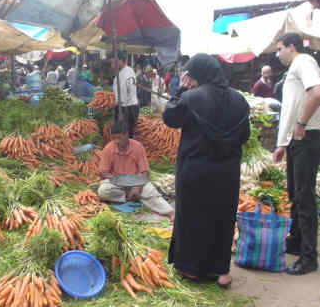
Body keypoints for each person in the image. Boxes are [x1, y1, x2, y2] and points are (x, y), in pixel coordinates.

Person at [163, 54, 250, 287]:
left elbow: (170, 117)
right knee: (222, 218)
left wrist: (180, 90)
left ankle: (191, 269)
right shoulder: (240, 100)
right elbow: (245, 136)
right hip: (227, 172)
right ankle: (221, 272)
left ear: (198, 74)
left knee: (192, 215)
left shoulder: (192, 97)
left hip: (196, 169)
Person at [273, 33, 320, 275]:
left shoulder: (304, 62)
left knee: (304, 196)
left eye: (279, 49)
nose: (277, 54)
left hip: (307, 136)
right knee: (295, 192)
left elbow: (317, 93)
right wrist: (283, 142)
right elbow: (294, 104)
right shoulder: (296, 67)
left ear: (291, 47)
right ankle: (297, 241)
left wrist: (301, 125)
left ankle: (309, 257)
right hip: (296, 139)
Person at [97, 121, 175, 220]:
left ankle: (170, 212)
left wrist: (137, 187)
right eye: (114, 138)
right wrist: (116, 179)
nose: (116, 141)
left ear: (126, 135)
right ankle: (131, 197)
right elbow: (103, 172)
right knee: (103, 191)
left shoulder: (137, 147)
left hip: (136, 181)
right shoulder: (109, 148)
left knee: (150, 191)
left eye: (119, 138)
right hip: (117, 182)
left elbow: (145, 173)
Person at [111, 52, 139, 138]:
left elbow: (130, 90)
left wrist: (121, 104)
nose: (112, 65)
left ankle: (127, 150)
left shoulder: (128, 72)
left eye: (114, 62)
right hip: (122, 107)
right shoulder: (120, 72)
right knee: (119, 134)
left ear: (121, 61)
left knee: (125, 134)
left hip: (128, 108)